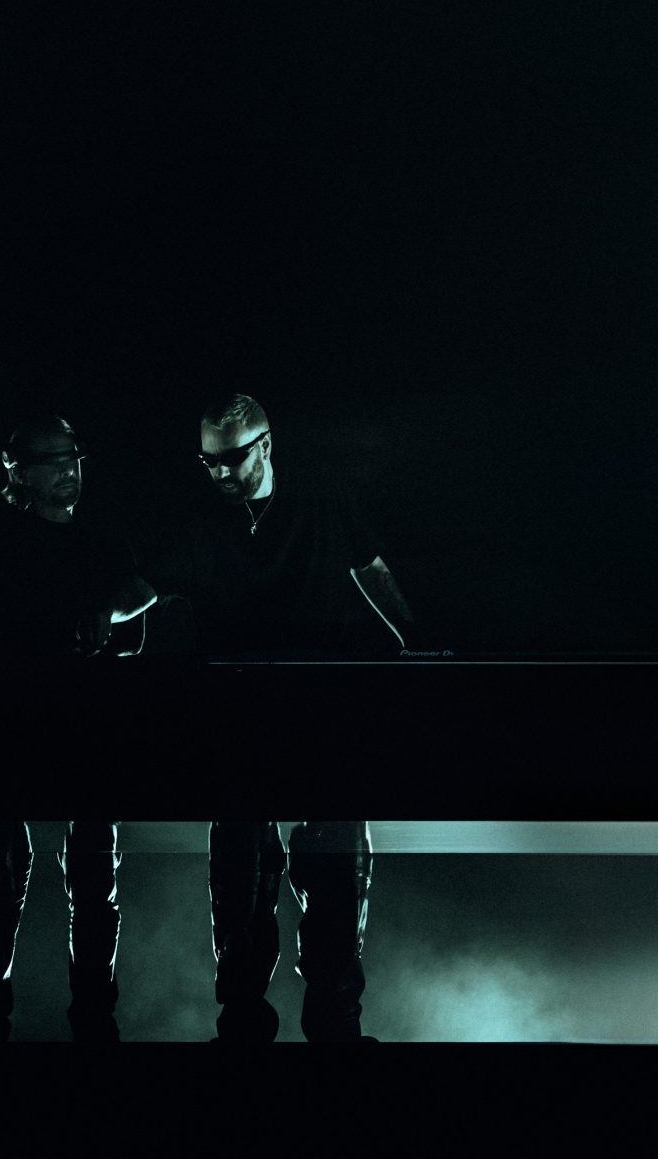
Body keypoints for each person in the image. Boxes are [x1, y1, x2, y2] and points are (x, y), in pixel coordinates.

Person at [159, 393, 416, 1042]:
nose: (221, 472)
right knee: (240, 873)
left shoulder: (320, 501)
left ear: (266, 445)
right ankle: (244, 1018)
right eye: (210, 461)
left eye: (232, 458)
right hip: (237, 719)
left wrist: (417, 651)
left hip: (320, 713)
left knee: (335, 870)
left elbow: (373, 570)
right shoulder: (199, 518)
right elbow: (150, 587)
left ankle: (335, 1017)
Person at [0, 365, 155, 1040]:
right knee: (1, 878)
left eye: (73, 457)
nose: (68, 470)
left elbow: (142, 588)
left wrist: (108, 611)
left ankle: (93, 1016)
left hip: (86, 728)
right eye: (53, 460)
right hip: (5, 725)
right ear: (21, 472)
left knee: (92, 880)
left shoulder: (102, 543)